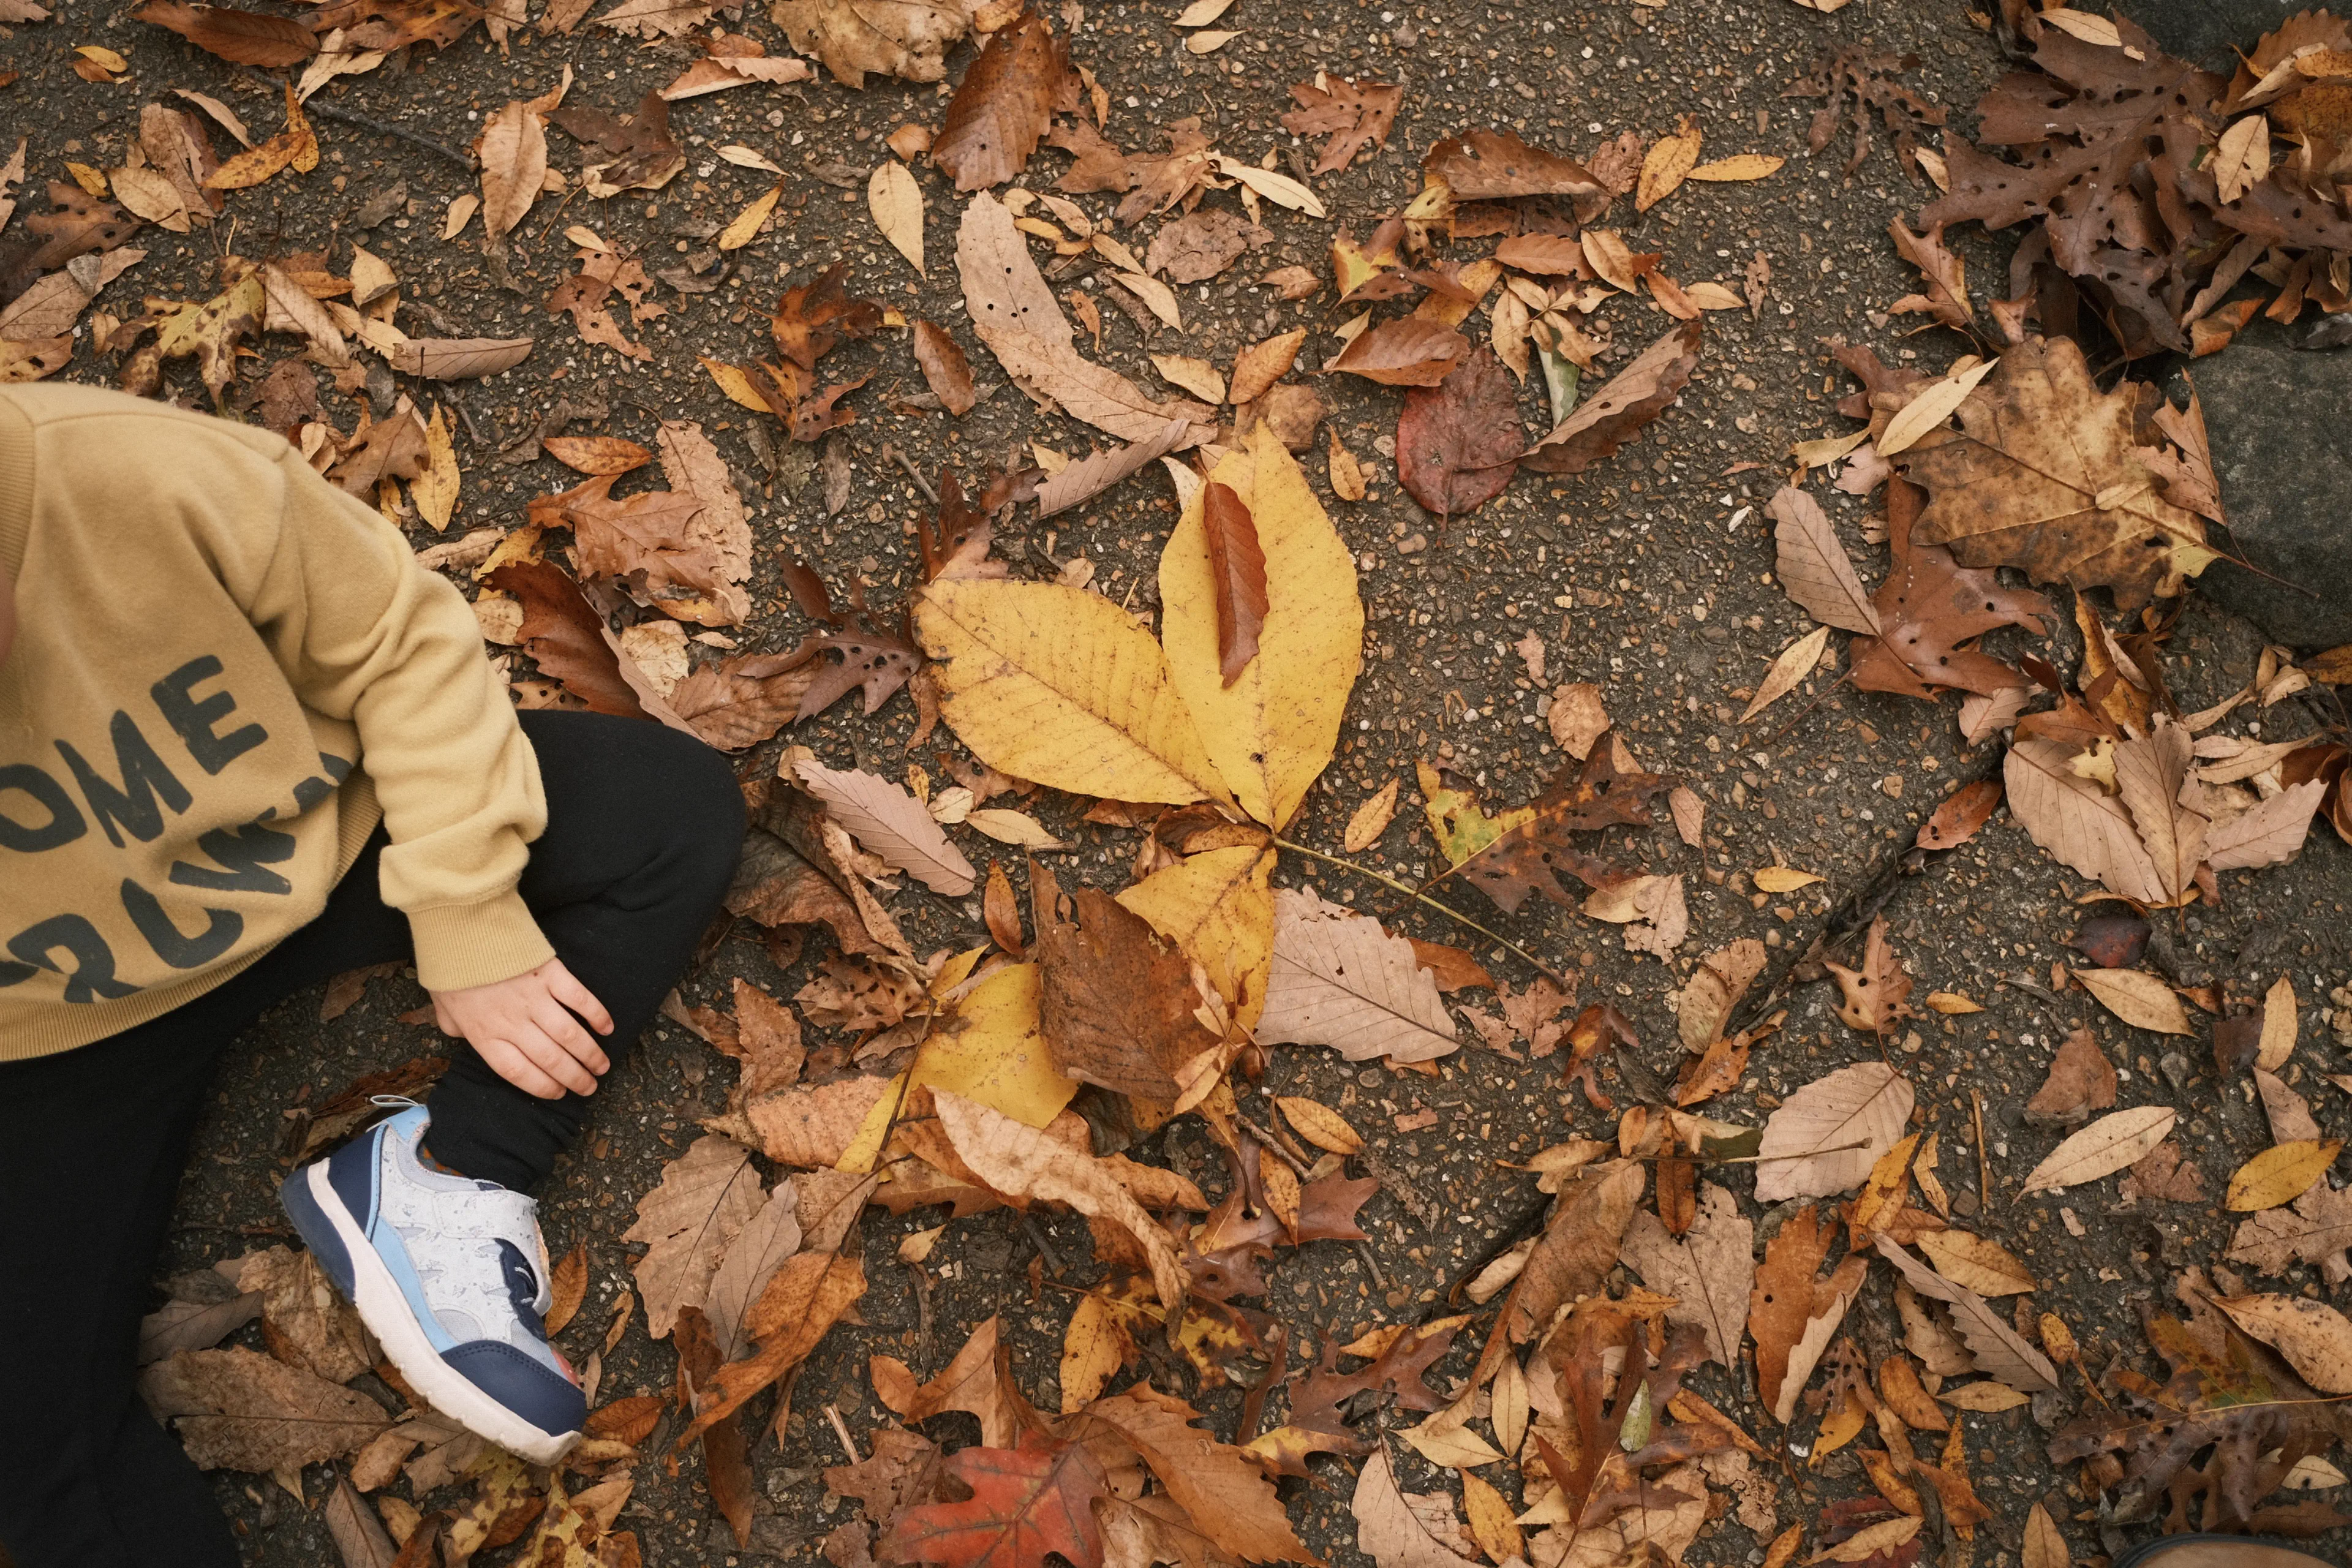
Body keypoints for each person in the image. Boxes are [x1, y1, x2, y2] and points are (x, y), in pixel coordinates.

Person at [0, 381, 745, 1568]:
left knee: (670, 809)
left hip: (318, 840)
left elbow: (401, 642)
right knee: (32, 1465)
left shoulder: (139, 473)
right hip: (56, 1024)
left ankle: (450, 1173)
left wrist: (469, 912)